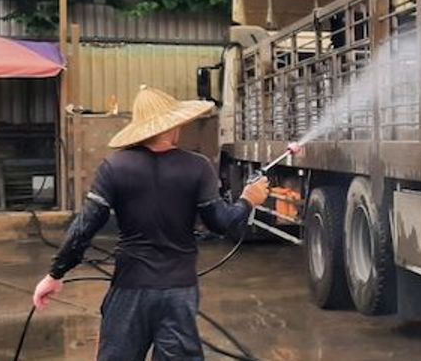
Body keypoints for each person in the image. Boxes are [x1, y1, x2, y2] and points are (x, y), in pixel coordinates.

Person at [32, 85, 270, 360]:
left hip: (130, 289)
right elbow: (221, 223)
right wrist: (248, 200)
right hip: (178, 293)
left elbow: (84, 229)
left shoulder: (114, 167)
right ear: (172, 126)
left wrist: (54, 275)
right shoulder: (198, 167)